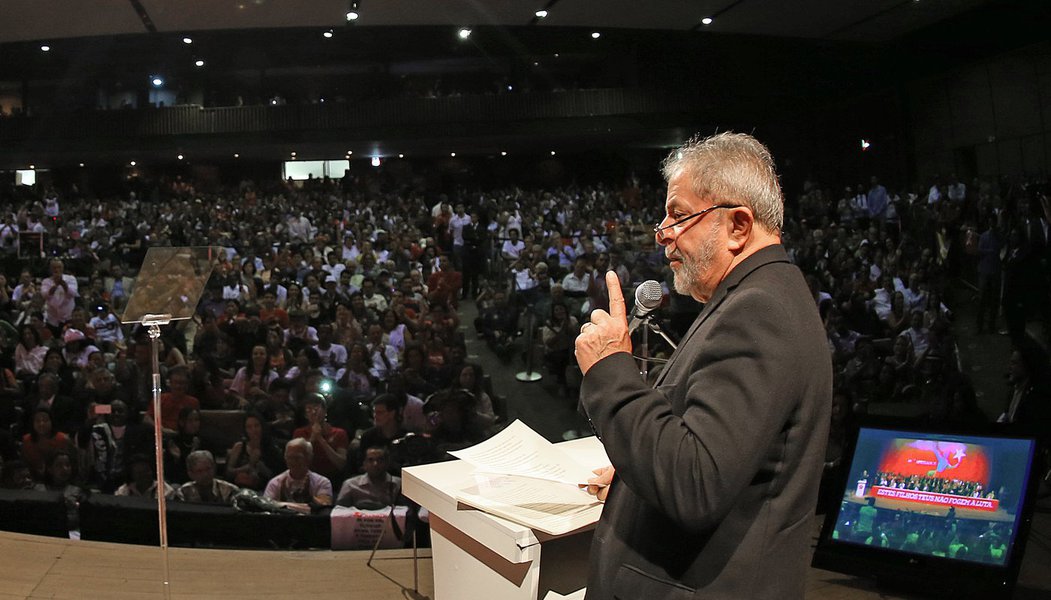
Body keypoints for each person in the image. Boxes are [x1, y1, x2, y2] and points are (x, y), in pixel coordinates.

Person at [574, 132, 832, 599]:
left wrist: (611, 370)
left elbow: (695, 484)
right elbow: (723, 459)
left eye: (678, 214)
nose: (662, 232)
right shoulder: (758, 296)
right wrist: (639, 470)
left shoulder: (758, 311)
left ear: (737, 225)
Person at [263, 438, 333, 514]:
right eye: (289, 457)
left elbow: (325, 506)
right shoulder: (275, 483)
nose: (292, 462)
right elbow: (266, 507)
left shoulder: (322, 482)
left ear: (309, 458)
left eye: (297, 458)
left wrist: (310, 498)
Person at [336, 446, 402, 509]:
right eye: (370, 460)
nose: (375, 464)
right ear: (364, 464)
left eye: (380, 460)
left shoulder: (399, 484)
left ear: (387, 463)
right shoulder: (350, 485)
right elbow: (339, 512)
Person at [175, 450, 239, 504]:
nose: (205, 474)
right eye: (199, 471)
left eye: (208, 469)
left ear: (214, 468)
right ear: (190, 474)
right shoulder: (183, 492)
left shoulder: (230, 490)